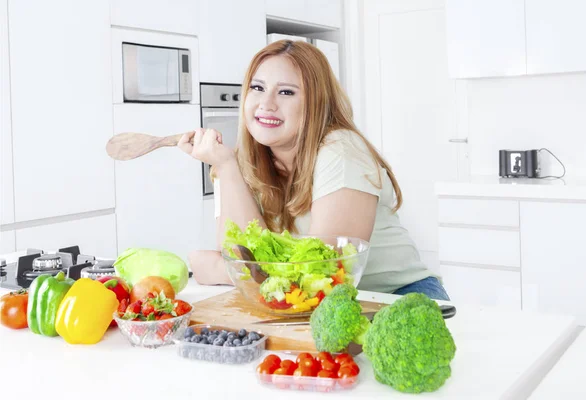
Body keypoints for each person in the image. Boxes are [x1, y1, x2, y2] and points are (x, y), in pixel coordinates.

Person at [178, 40, 450, 301]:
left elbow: (322, 272)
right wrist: (226, 168)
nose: (266, 103)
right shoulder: (235, 163)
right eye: (257, 88)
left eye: (286, 92)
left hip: (395, 298)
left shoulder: (341, 150)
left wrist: (220, 270)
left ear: (315, 102)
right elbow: (241, 259)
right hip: (310, 303)